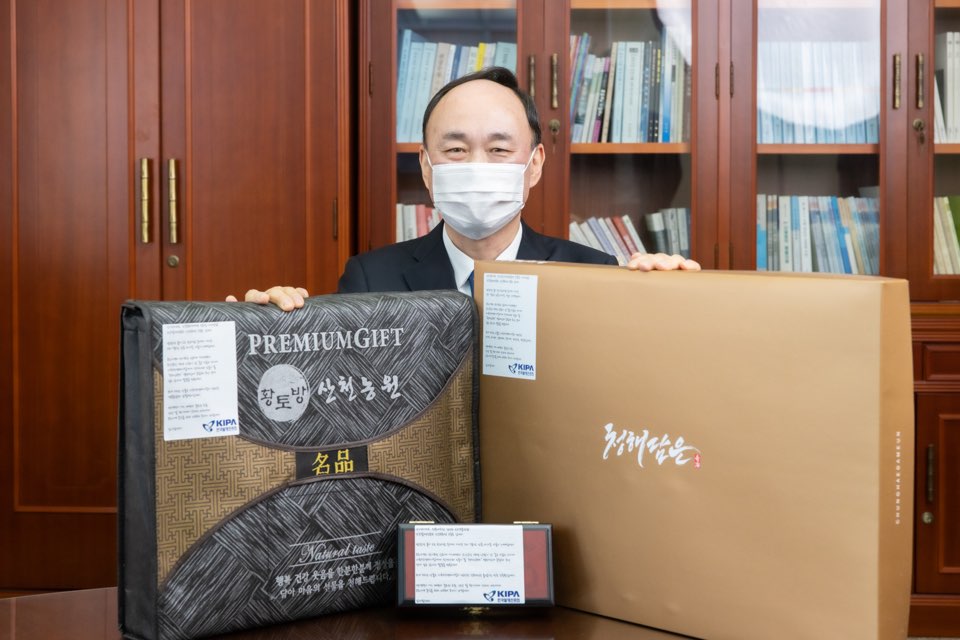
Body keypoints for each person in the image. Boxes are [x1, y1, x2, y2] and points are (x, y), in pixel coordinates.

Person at [229, 67, 699, 310]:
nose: (476, 166)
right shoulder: (371, 280)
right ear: (427, 166)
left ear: (534, 164)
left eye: (498, 149)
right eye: (455, 150)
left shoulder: (596, 274)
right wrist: (264, 330)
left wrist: (671, 304)